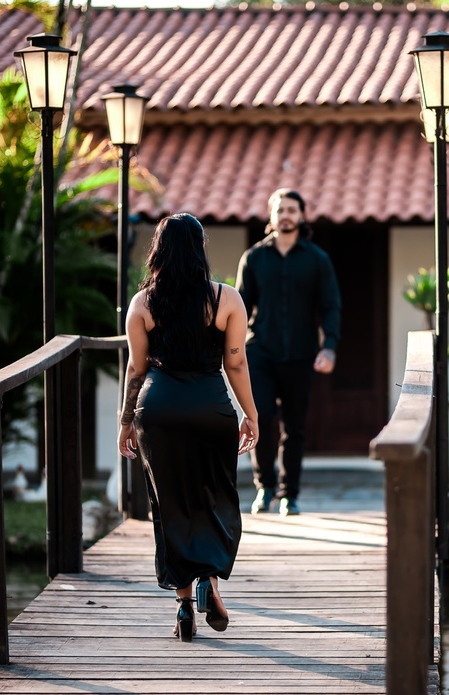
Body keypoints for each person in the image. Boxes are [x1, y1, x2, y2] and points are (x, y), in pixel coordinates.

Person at [117, 213, 259, 643]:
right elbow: (235, 361)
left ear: (158, 250)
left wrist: (126, 421)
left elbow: (136, 369)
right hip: (209, 408)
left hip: (158, 410)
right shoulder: (226, 299)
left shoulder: (142, 304)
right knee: (214, 496)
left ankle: (182, 603)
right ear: (200, 249)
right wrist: (251, 414)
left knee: (169, 504)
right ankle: (207, 581)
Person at [235, 188, 342, 517]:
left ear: (302, 215)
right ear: (271, 215)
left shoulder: (317, 260)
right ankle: (264, 486)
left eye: (292, 210)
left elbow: (330, 307)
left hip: (300, 354)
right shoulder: (253, 258)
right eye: (280, 210)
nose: (286, 215)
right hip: (261, 353)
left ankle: (288, 495)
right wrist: (233, 351)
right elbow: (239, 307)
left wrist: (330, 347)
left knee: (294, 427)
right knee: (261, 418)